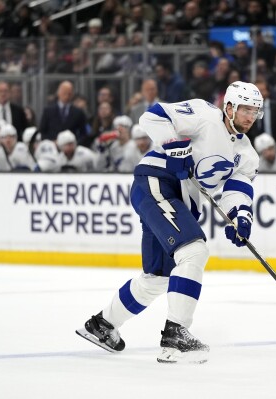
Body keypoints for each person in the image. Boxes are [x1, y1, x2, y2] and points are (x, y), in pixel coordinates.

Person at [76, 81, 264, 364]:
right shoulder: (204, 114)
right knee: (194, 251)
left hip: (180, 197)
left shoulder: (247, 154)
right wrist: (176, 148)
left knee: (157, 279)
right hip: (157, 181)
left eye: (255, 111)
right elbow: (152, 116)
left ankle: (102, 326)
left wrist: (240, 216)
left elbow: (237, 191)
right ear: (229, 107)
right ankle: (176, 334)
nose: (250, 117)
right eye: (246, 109)